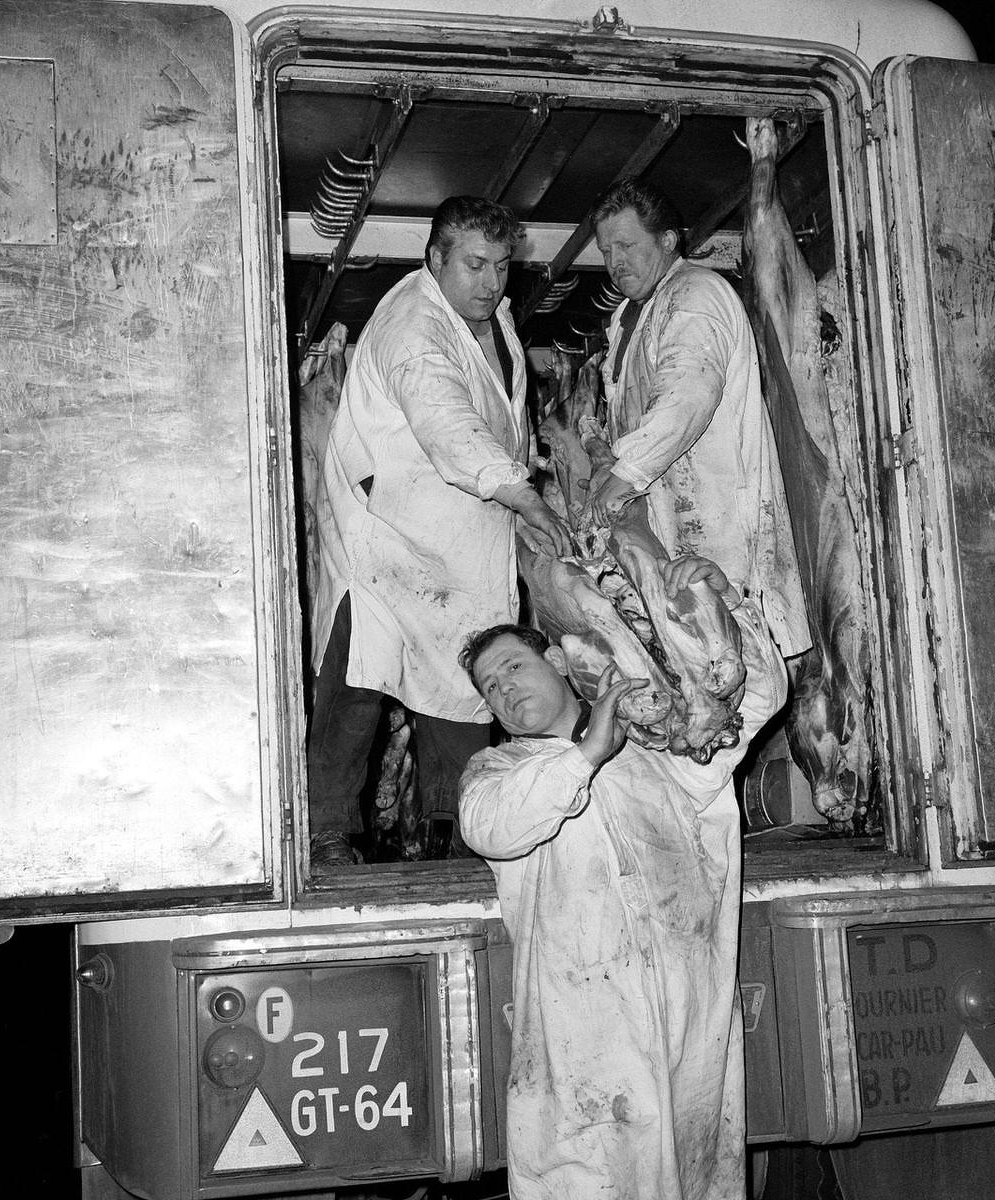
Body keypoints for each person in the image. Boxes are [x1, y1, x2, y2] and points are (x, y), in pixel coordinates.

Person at [458, 556, 787, 1200]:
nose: (503, 690)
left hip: (690, 1013)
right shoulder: (498, 772)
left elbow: (755, 701)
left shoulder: (656, 751)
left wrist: (726, 604)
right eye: (490, 688)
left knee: (698, 1174)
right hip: (586, 1031)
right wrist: (586, 753)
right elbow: (488, 826)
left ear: (557, 661)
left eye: (512, 668)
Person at [308, 196, 569, 863]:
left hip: (459, 547)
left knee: (462, 696)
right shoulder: (412, 326)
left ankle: (457, 834)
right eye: (475, 265)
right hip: (385, 539)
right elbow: (446, 420)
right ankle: (326, 833)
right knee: (357, 687)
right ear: (434, 259)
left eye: (501, 267)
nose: (490, 283)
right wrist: (523, 497)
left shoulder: (493, 322)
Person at [585, 177, 812, 664]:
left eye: (626, 245)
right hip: (674, 516)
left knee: (742, 656)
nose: (614, 262)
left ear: (668, 240)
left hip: (720, 515)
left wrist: (624, 473)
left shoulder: (694, 294)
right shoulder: (631, 315)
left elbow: (689, 394)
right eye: (606, 250)